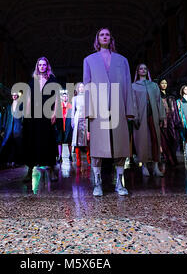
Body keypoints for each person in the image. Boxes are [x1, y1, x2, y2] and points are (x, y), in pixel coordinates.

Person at [83, 28, 134, 196]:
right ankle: (98, 183)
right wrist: (88, 110)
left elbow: (127, 84)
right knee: (98, 147)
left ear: (111, 38)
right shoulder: (89, 60)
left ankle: (119, 183)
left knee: (120, 146)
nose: (104, 36)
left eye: (107, 34)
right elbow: (87, 85)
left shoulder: (122, 60)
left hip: (118, 105)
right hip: (98, 107)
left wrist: (129, 109)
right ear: (97, 39)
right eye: (101, 34)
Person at [23, 56, 59, 183]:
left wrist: (54, 113)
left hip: (47, 113)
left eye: (44, 65)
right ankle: (29, 170)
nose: (42, 67)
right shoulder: (32, 80)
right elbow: (28, 98)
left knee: (48, 140)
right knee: (31, 141)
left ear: (47, 66)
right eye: (40, 65)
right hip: (33, 114)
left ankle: (51, 169)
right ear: (37, 66)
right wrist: (26, 114)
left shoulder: (52, 80)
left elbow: (56, 98)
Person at [131, 64, 166, 177]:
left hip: (153, 115)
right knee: (142, 141)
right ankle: (145, 166)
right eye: (141, 68)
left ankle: (156, 167)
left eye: (145, 68)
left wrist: (161, 115)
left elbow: (158, 101)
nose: (143, 70)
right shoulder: (134, 86)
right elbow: (133, 102)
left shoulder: (154, 85)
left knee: (155, 139)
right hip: (141, 116)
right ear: (137, 71)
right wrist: (135, 116)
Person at [0, 92, 24, 169]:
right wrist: (3, 128)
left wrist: (22, 126)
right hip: (9, 128)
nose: (14, 96)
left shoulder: (21, 105)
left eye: (16, 95)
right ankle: (6, 161)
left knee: (17, 145)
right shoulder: (9, 106)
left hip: (17, 127)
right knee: (7, 144)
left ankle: (16, 161)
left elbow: (23, 116)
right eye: (13, 95)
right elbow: (5, 117)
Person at [158, 78, 180, 166]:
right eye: (162, 83)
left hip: (171, 121)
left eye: (165, 83)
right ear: (159, 85)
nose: (164, 85)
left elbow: (174, 110)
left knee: (174, 139)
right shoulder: (157, 96)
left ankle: (173, 157)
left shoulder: (170, 96)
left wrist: (177, 121)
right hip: (163, 121)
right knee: (164, 140)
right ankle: (169, 158)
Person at [71, 82, 91, 170]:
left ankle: (88, 158)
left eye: (83, 87)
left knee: (87, 140)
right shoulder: (74, 98)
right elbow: (72, 111)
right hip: (77, 119)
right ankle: (78, 160)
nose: (82, 88)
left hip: (86, 119)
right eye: (80, 87)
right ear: (77, 89)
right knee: (77, 140)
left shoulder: (87, 98)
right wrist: (72, 120)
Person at [55, 90, 73, 164]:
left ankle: (70, 155)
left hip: (68, 124)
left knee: (69, 140)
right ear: (61, 97)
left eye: (66, 96)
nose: (65, 97)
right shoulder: (59, 106)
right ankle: (60, 156)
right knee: (59, 140)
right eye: (63, 96)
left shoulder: (70, 105)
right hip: (60, 124)